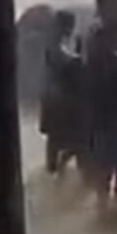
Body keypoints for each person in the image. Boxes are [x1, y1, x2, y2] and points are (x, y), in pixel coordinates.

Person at [84, 0, 117, 219]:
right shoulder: (99, 39)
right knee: (109, 165)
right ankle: (105, 213)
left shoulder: (107, 40)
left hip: (115, 111)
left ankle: (112, 213)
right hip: (106, 111)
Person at [39, 10, 83, 176]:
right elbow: (64, 60)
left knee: (57, 140)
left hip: (55, 98)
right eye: (69, 26)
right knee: (66, 140)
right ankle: (55, 171)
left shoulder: (58, 42)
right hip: (57, 99)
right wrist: (80, 55)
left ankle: (54, 172)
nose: (71, 30)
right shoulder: (54, 44)